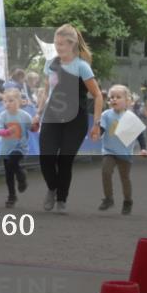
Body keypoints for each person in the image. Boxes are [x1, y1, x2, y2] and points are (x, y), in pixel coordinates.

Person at [31, 24, 104, 215]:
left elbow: (97, 95)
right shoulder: (51, 63)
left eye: (62, 44)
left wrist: (96, 124)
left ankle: (62, 198)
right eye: (56, 44)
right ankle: (52, 188)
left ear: (72, 45)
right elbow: (47, 90)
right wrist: (38, 113)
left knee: (65, 160)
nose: (58, 48)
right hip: (52, 116)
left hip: (75, 119)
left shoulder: (82, 67)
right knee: (46, 157)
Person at [98, 86, 147, 215]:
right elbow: (102, 129)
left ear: (127, 101)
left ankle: (127, 201)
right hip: (109, 151)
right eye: (112, 97)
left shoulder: (131, 117)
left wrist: (143, 149)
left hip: (124, 153)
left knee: (124, 178)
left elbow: (140, 135)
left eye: (118, 97)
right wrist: (96, 133)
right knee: (106, 171)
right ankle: (108, 198)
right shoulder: (106, 115)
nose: (114, 99)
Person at [0, 89, 32, 208]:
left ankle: (21, 175)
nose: (7, 103)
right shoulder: (2, 116)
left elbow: (32, 128)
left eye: (11, 100)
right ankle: (12, 196)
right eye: (5, 101)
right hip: (6, 148)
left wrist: (36, 125)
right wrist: (7, 131)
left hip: (20, 147)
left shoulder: (25, 116)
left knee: (12, 161)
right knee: (8, 174)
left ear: (19, 101)